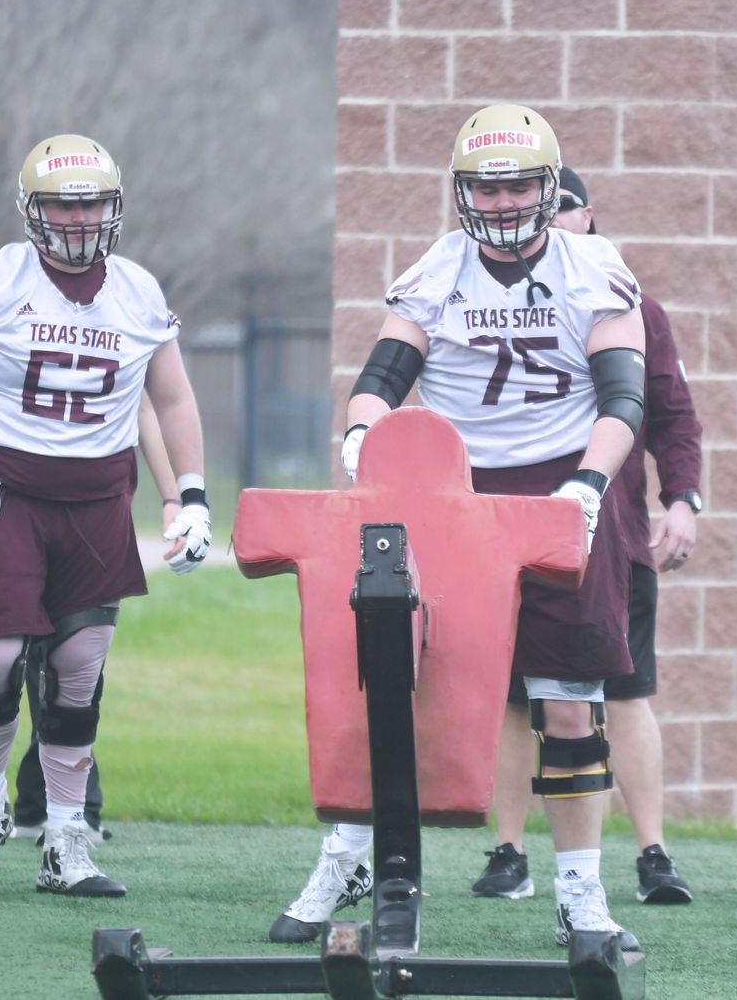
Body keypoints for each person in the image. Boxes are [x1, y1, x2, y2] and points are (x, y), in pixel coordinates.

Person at [270, 105, 646, 951]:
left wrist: (588, 482)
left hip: (564, 486)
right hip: (454, 498)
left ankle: (580, 894)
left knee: (569, 706)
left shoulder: (595, 268)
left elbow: (625, 397)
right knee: (390, 682)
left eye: (518, 184)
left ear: (549, 189)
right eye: (487, 184)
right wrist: (364, 436)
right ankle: (352, 855)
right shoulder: (440, 270)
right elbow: (380, 377)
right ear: (461, 190)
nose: (504, 200)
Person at [0, 133, 211, 898]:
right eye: (61, 204)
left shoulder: (137, 292)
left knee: (80, 669)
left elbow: (171, 398)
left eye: (90, 203)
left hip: (98, 500)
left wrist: (193, 495)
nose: (77, 219)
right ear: (32, 210)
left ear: (113, 208)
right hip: (1, 493)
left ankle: (67, 839)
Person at [472, 167, 701, 908]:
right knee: (513, 699)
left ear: (583, 214)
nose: (547, 218)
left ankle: (652, 852)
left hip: (611, 535)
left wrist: (684, 501)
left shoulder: (630, 302)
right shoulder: (479, 296)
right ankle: (507, 851)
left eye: (561, 206)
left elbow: (671, 415)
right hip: (509, 533)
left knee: (623, 694)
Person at [10, 393, 181, 845]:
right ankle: (42, 803)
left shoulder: (123, 324)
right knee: (24, 650)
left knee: (74, 656)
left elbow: (145, 403)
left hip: (93, 500)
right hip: (25, 490)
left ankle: (60, 806)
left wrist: (174, 496)